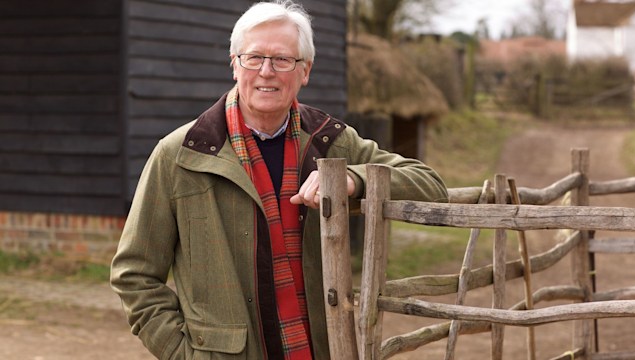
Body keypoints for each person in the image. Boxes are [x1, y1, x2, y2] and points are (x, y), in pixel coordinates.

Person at [110, 1, 448, 359]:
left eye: (283, 60)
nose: (266, 72)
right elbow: (135, 275)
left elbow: (430, 184)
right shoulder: (181, 155)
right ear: (234, 65)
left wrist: (353, 179)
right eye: (253, 58)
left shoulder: (330, 140)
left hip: (321, 350)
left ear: (305, 71)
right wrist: (183, 353)